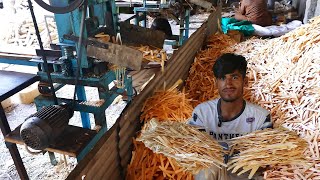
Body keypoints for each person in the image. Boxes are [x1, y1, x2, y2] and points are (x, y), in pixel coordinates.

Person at [189, 53, 272, 180]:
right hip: (211, 175)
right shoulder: (202, 113)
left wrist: (235, 160)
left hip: (242, 176)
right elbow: (192, 153)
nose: (228, 84)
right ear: (216, 82)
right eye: (222, 78)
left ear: (245, 81)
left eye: (234, 77)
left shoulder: (260, 118)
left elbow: (265, 162)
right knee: (208, 168)